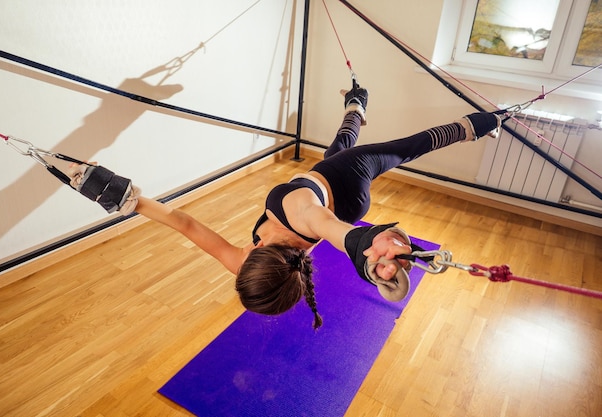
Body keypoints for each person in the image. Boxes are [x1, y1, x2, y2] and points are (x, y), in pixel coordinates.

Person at [69, 84, 501, 329]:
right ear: (263, 255)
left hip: (320, 181)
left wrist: (126, 199)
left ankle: (356, 107)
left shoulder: (245, 265)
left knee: (338, 145)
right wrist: (366, 250)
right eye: (245, 260)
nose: (238, 259)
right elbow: (336, 230)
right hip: (347, 189)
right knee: (403, 149)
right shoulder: (302, 216)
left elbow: (185, 224)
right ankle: (481, 125)